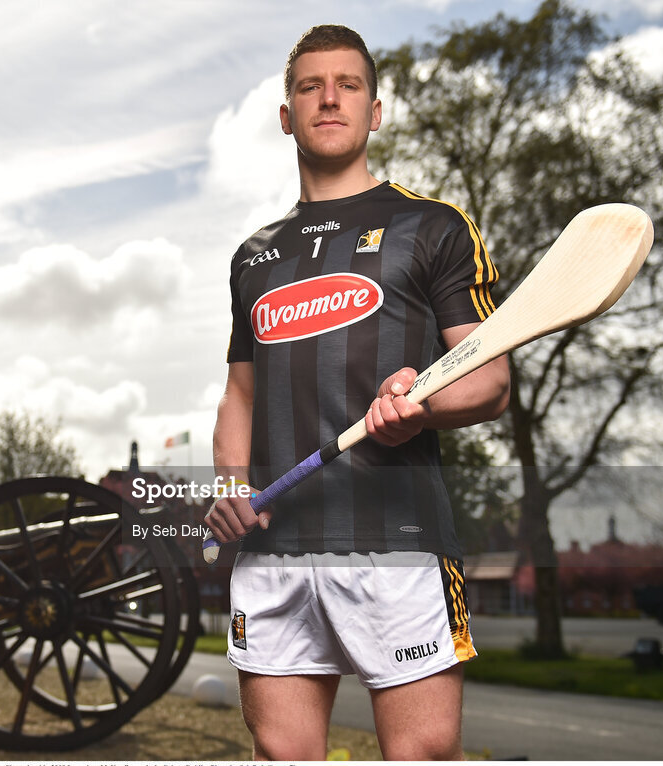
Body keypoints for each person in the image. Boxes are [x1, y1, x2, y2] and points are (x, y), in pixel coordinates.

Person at [203, 24, 511, 761]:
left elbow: (492, 381)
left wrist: (424, 408)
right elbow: (239, 398)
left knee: (420, 755)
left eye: (349, 84)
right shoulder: (255, 256)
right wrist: (229, 487)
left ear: (375, 111)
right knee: (282, 756)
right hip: (275, 554)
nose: (330, 97)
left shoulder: (433, 227)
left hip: (398, 545)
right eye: (310, 86)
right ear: (287, 115)